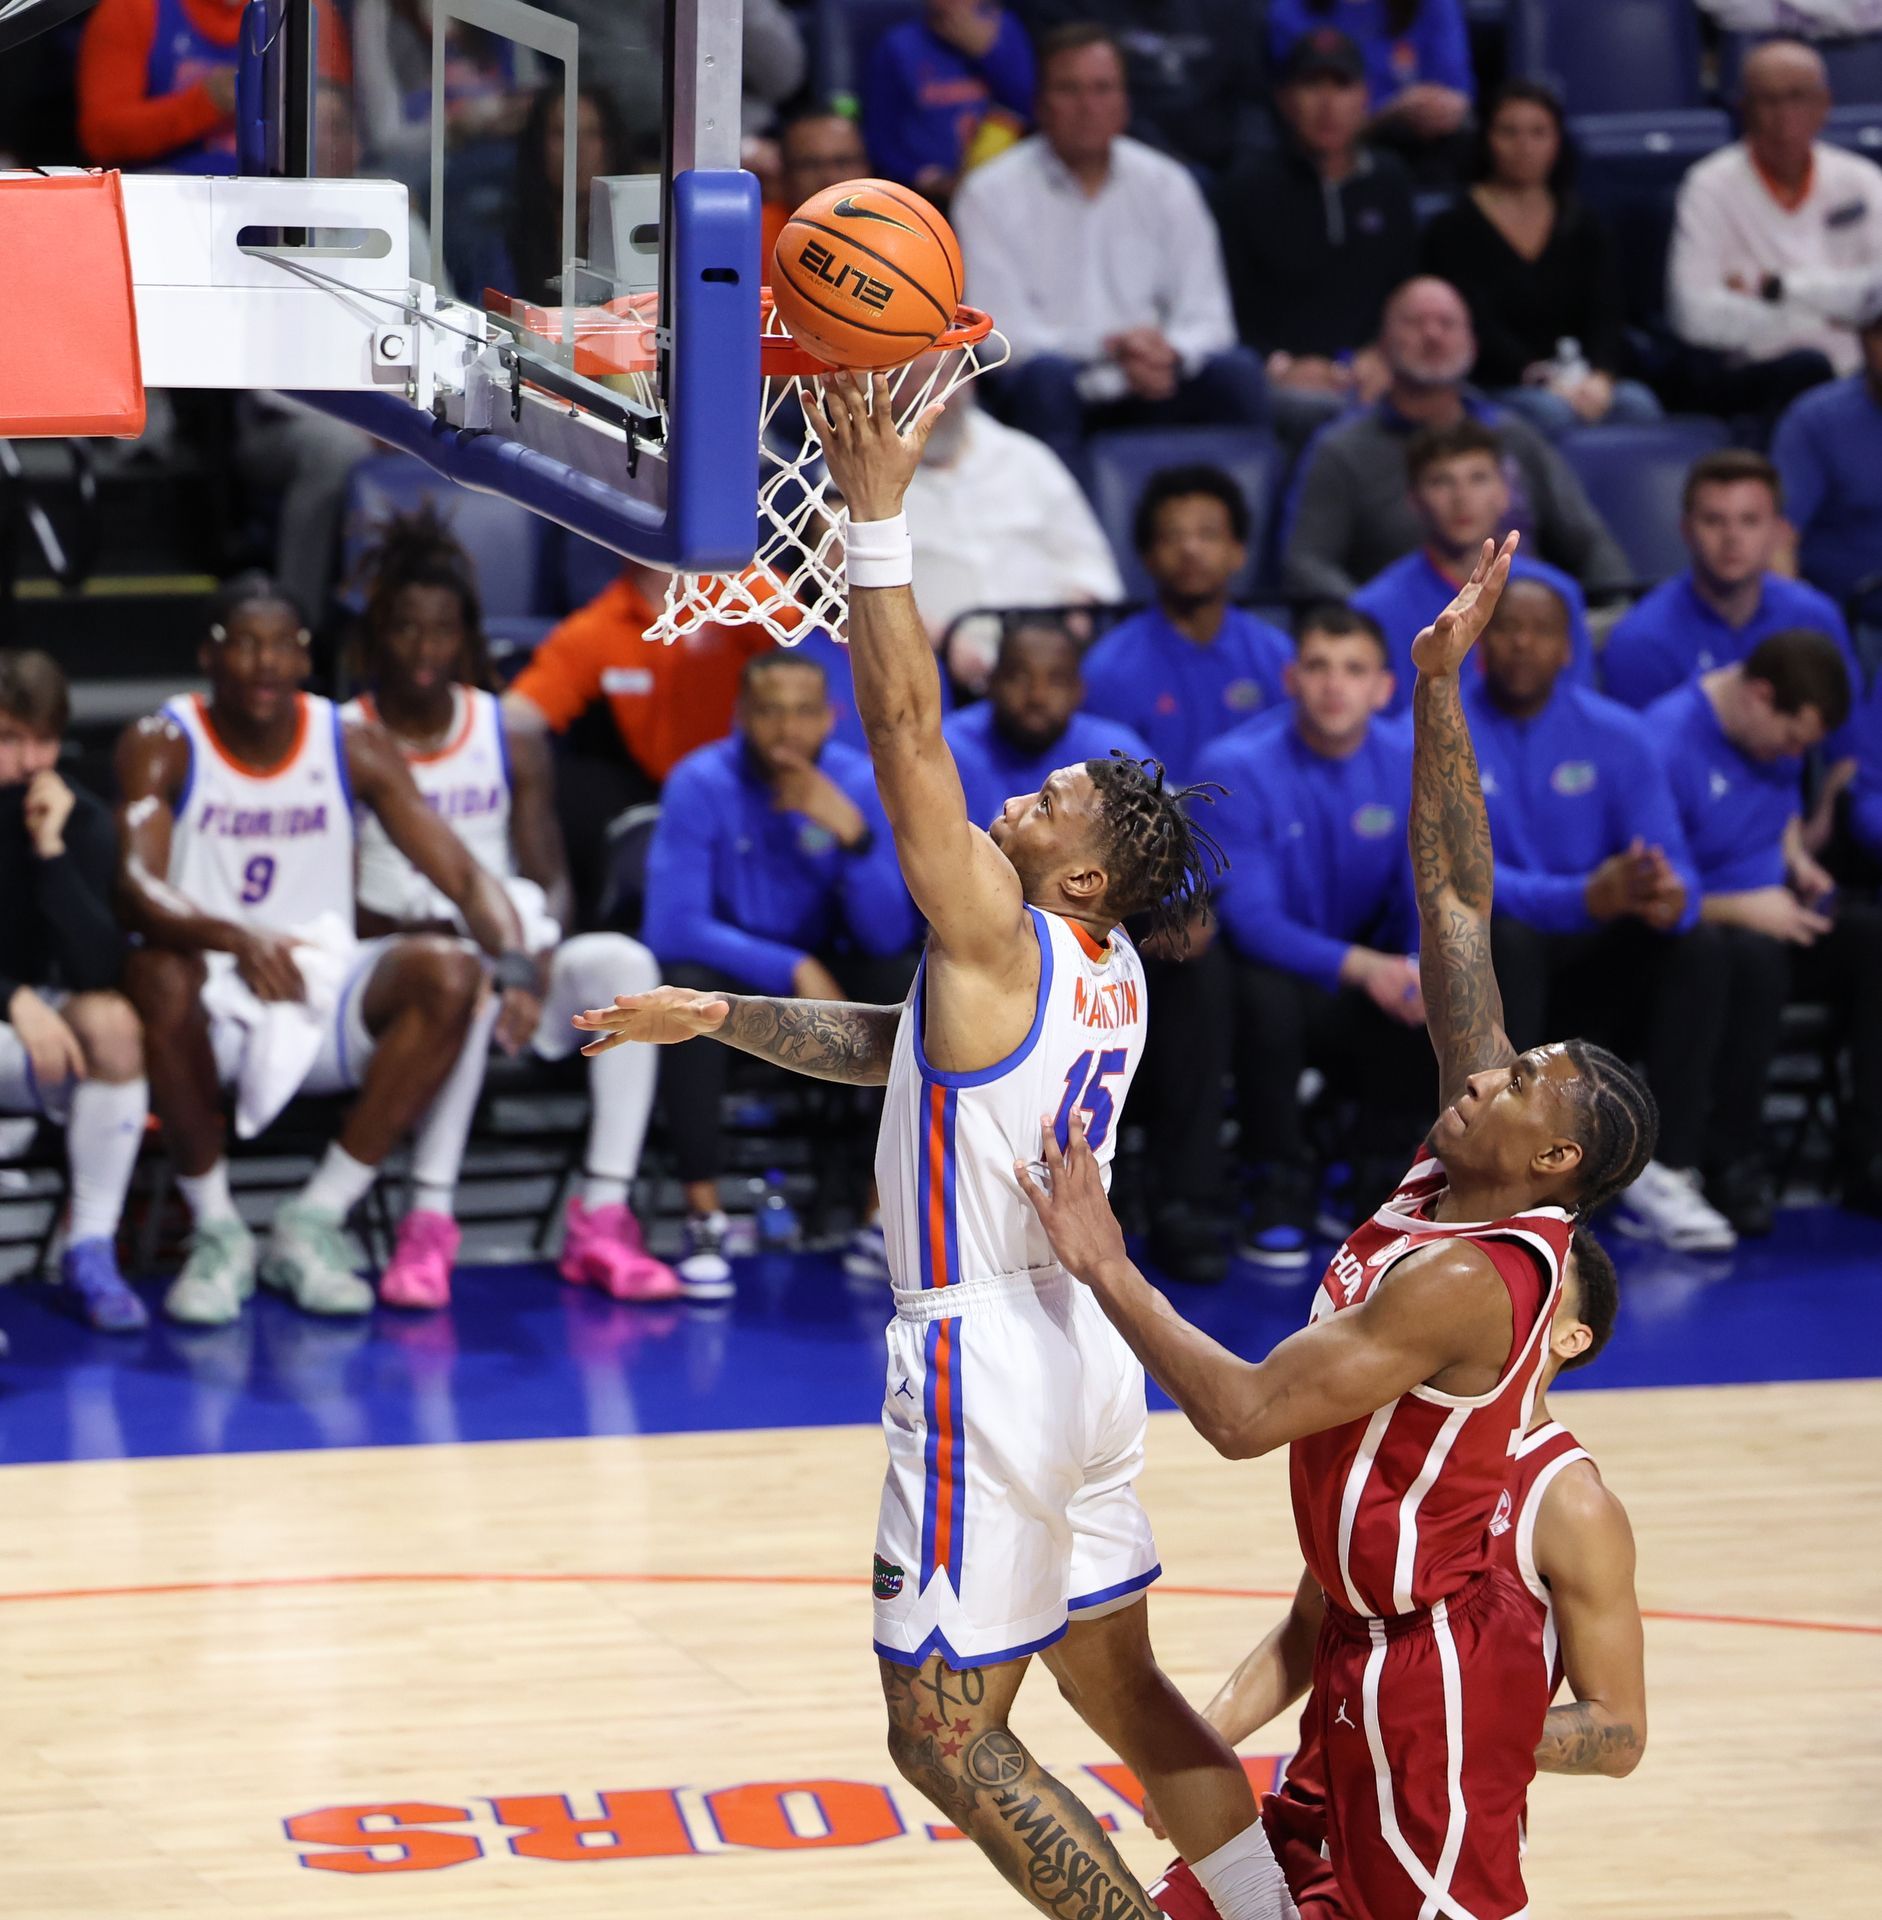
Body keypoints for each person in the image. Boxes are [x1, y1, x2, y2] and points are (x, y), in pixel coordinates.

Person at [579, 372, 1284, 1920]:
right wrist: (720, 1016)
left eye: (1051, 802)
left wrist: (876, 521)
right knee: (1126, 1688)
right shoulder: (1095, 982)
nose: (1019, 800)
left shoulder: (1005, 931)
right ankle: (1261, 1906)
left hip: (985, 1365)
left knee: (945, 1738)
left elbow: (900, 729)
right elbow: (912, 1067)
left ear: (1087, 874)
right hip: (1080, 1356)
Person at [1012, 530, 1660, 1920]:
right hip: (1357, 1642)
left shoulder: (1474, 1282)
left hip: (1433, 1669)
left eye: (1515, 1081)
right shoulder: (1464, 1164)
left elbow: (1247, 1419)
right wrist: (1437, 685)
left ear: (1549, 1155)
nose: (1481, 1071)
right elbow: (1454, 899)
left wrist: (1107, 1262)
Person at [1149, 1233, 1645, 1920]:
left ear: (1569, 1338)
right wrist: (1202, 1749)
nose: (1509, 1290)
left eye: (1538, 1284)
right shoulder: (1404, 1445)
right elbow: (1304, 1631)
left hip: (1429, 1839)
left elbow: (1619, 1733)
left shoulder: (1570, 1501)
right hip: (1305, 1817)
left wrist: (1446, 1729)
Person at [115, 574, 531, 1325]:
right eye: (245, 644)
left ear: (308, 658)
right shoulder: (163, 742)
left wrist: (520, 962)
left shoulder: (350, 743)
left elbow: (465, 875)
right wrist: (233, 936)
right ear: (208, 657)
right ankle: (216, 1229)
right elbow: (135, 882)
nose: (266, 662)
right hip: (209, 990)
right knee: (156, 973)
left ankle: (316, 1219)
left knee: (450, 972)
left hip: (322, 981)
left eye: (284, 645)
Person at [343, 509, 678, 1308]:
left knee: (628, 968)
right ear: (376, 637)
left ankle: (602, 1212)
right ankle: (427, 1220)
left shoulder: (505, 735)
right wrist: (483, 956)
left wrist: (536, 966)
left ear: (465, 639)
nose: (425, 650)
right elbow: (334, 898)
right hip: (385, 965)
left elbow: (549, 876)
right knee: (460, 978)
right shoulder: (343, 736)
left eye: (443, 632)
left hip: (509, 954)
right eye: (406, 630)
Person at [1464, 577, 1735, 1254]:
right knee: (1507, 937)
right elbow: (1456, 885)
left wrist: (1670, 898)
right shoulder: (1443, 730)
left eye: (1541, 630)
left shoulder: (1621, 735)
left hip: (1595, 966)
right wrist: (1582, 896)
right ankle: (1508, 1173)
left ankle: (1667, 1172)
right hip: (1499, 964)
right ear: (1480, 643)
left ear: (1569, 649)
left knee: (1697, 944)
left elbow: (1673, 865)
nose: (1522, 643)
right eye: (1505, 627)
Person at [639, 653, 916, 1293]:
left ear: (829, 719)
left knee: (907, 982)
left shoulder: (855, 782)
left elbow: (888, 933)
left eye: (802, 713)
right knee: (683, 987)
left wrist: (852, 837)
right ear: (740, 716)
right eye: (769, 711)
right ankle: (702, 1215)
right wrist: (791, 968)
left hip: (830, 967)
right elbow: (672, 926)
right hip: (733, 966)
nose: (786, 730)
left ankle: (881, 1219)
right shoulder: (698, 783)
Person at [1198, 606, 1431, 1267]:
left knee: (1441, 976)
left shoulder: (1413, 758)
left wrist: (1416, 965)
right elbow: (1253, 920)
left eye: (1353, 670)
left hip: (1371, 974)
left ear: (1383, 688)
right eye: (1319, 667)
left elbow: (1432, 886)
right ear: (1290, 678)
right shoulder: (1236, 765)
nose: (1335, 685)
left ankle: (1386, 1176)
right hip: (1286, 975)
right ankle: (1278, 1181)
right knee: (1259, 987)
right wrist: (1368, 967)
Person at [1649, 630, 1882, 1234]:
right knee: (1752, 955)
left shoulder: (1779, 740)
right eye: (1791, 739)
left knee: (1871, 938)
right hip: (1694, 931)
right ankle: (1726, 1159)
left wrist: (1797, 861)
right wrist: (1743, 908)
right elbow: (1653, 893)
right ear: (1758, 696)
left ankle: (1869, 1154)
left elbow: (1780, 813)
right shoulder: (1664, 741)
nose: (1792, 756)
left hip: (1773, 908)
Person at [952, 25, 1267, 469]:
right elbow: (998, 339)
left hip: (1157, 380)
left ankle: (1234, 535)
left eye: (1102, 89)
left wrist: (1169, 353)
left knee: (1238, 373)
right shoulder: (988, 194)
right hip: (1058, 386)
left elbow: (1210, 318)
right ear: (1040, 104)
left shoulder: (1167, 183)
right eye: (1070, 89)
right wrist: (1110, 347)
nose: (1088, 107)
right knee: (1045, 381)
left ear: (1125, 103)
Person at [1283, 276, 1632, 600]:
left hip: (1523, 636)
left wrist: (1611, 615)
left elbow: (1589, 544)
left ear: (1473, 344)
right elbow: (1307, 564)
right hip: (1405, 643)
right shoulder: (1341, 449)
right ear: (1383, 345)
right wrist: (1374, 625)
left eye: (1447, 323)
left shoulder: (1514, 435)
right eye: (1414, 323)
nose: (1433, 335)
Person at [0, 652, 149, 1332]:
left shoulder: (79, 818)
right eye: (8, 739)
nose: (31, 760)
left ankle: (89, 1245)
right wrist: (13, 999)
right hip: (15, 1012)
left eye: (43, 739)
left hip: (39, 1037)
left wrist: (52, 852)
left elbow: (98, 968)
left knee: (115, 1025)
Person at [506, 562, 777, 914]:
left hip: (746, 778)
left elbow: (810, 654)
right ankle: (581, 919)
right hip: (650, 785)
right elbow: (518, 714)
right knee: (567, 784)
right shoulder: (604, 622)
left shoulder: (746, 589)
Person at [1212, 29, 1417, 446]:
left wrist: (1383, 354)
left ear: (1365, 97)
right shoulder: (1243, 188)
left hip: (1372, 373)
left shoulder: (1391, 181)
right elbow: (1222, 305)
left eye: (1341, 86)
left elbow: (1407, 288)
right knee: (1319, 414)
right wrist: (1280, 365)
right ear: (1285, 100)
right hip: (1281, 380)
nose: (1328, 105)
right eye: (1311, 86)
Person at [1422, 81, 1662, 437]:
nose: (1524, 147)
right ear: (1486, 139)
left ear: (1557, 143)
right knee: (1550, 413)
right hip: (1498, 382)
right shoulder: (1453, 227)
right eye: (1509, 132)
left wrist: (1601, 377)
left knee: (1638, 405)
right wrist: (1539, 377)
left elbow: (1606, 312)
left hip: (1578, 378)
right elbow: (1475, 325)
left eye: (1538, 133)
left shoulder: (1584, 224)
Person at [1667, 38, 1882, 393]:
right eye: (1768, 100)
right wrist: (1831, 315)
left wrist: (1779, 288)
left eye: (1797, 96)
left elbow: (1878, 290)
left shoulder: (1862, 180)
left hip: (1866, 374)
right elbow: (1691, 314)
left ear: (1824, 105)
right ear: (1744, 109)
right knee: (1808, 367)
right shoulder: (1708, 185)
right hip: (1757, 375)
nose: (1784, 116)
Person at [1353, 418, 1598, 710]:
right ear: (1414, 501)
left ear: (1505, 494)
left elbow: (1578, 710)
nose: (1462, 498)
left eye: (1478, 478)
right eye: (1441, 481)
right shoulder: (1375, 609)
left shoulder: (1556, 594)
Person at [902, 376, 1124, 684]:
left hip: (1048, 666)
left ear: (969, 382)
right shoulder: (854, 476)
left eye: (941, 376)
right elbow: (850, 587)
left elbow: (1089, 566)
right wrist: (937, 641)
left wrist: (1066, 635)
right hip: (926, 671)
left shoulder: (1029, 458)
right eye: (911, 379)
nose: (928, 394)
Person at [1081, 466, 1294, 784]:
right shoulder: (1107, 670)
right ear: (1147, 556)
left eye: (1207, 534)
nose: (1190, 549)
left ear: (1239, 552)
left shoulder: (1277, 656)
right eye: (1172, 536)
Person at [1602, 450, 1857, 713]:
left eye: (1749, 521)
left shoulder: (1816, 620)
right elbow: (1636, 751)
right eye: (1713, 521)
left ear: (1778, 532)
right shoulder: (1641, 640)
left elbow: (1847, 747)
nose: (1732, 537)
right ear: (1687, 531)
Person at [77, 0, 350, 172]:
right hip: (167, 195)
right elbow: (101, 136)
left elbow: (344, 139)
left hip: (278, 204)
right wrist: (205, 102)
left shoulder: (309, 12)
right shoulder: (132, 9)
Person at [1014, 0, 1271, 179]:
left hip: (1222, 166)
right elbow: (1079, 92)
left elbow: (1253, 96)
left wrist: (1244, 168)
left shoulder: (1233, 8)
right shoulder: (1073, 6)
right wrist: (1169, 167)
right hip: (1123, 156)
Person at [943, 621, 1152, 833]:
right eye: (1020, 677)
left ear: (1078, 690)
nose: (1037, 695)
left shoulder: (1118, 757)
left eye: (1056, 680)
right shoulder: (945, 750)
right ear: (992, 682)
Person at [1265, 0, 1472, 181]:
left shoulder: (1433, 4)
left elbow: (1457, 92)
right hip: (1324, 156)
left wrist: (1439, 106)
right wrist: (1389, 112)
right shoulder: (1290, 10)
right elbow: (1294, 111)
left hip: (1426, 147)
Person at [863, 1, 1033, 201]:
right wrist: (924, 176)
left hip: (1005, 190)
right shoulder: (897, 46)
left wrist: (987, 55)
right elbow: (879, 140)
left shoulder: (1004, 31)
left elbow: (1031, 110)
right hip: (926, 194)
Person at [1772, 295, 1882, 602]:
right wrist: (1799, 623)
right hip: (1852, 623)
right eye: (1881, 332)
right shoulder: (1817, 420)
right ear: (1861, 338)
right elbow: (1777, 539)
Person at [763, 106, 872, 263]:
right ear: (784, 175)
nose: (830, 176)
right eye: (811, 165)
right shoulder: (753, 235)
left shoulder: (900, 229)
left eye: (843, 162)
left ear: (868, 167)